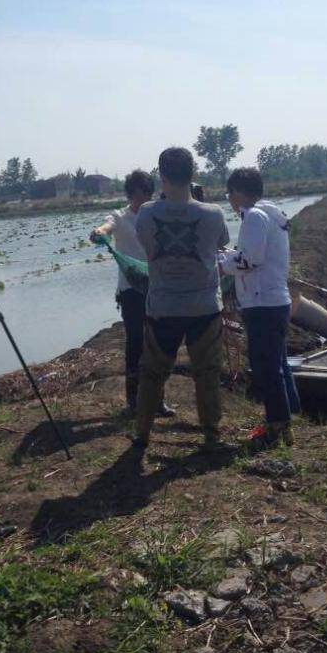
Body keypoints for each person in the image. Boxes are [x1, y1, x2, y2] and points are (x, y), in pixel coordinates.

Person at [133, 147, 230, 454]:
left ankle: (142, 434)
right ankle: (211, 432)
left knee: (151, 373)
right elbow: (222, 244)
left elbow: (147, 246)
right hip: (204, 308)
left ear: (161, 176)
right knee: (207, 372)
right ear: (193, 174)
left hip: (162, 307)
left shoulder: (147, 213)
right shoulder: (213, 213)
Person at [219, 167, 301, 448]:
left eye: (230, 193)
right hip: (275, 300)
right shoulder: (271, 214)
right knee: (277, 363)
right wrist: (231, 257)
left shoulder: (254, 216)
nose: (229, 199)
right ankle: (289, 417)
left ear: (239, 193)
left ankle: (277, 425)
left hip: (262, 302)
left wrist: (222, 264)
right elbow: (251, 256)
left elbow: (249, 261)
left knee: (266, 366)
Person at [89, 170, 176, 419]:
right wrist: (100, 233)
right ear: (130, 195)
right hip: (131, 291)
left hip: (157, 287)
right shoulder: (120, 217)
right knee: (136, 342)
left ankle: (158, 400)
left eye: (146, 194)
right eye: (138, 195)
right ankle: (134, 400)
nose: (142, 200)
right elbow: (106, 227)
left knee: (158, 344)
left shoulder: (156, 216)